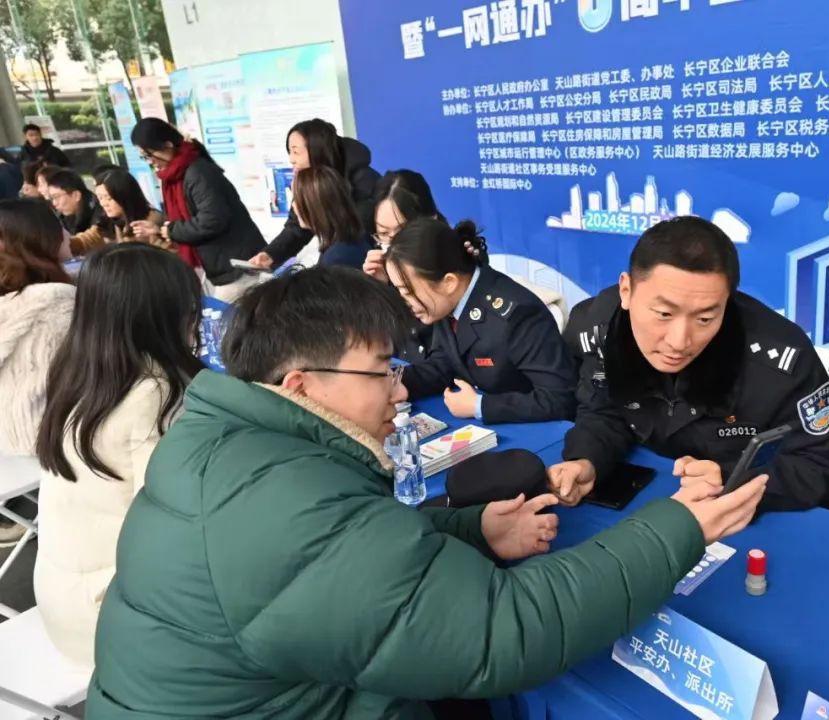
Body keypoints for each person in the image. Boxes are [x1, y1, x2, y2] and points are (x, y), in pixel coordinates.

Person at [87, 265, 769, 719]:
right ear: (301, 384)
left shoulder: (231, 443)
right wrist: (677, 529)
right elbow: (499, 630)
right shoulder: (282, 501)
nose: (399, 391)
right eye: (382, 371)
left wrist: (472, 530)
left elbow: (346, 558)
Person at [552, 216, 829, 509]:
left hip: (739, 511)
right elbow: (604, 410)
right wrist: (586, 459)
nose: (679, 341)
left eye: (704, 319)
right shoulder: (603, 324)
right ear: (626, 291)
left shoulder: (782, 357)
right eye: (664, 314)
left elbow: (816, 465)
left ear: (727, 302)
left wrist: (731, 479)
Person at [34, 244, 204, 667]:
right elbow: (177, 525)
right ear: (164, 314)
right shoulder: (155, 393)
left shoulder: (79, 370)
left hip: (64, 602)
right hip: (115, 619)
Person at [387, 217, 577, 423]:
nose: (405, 302)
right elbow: (445, 363)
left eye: (408, 291)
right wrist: (394, 383)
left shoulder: (516, 315)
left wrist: (480, 406)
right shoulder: (447, 302)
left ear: (448, 283)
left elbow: (559, 399)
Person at [0, 199, 75, 545]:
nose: (67, 233)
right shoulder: (59, 305)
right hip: (48, 444)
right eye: (58, 226)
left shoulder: (12, 301)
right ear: (40, 238)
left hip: (7, 447)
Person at [128, 117, 266, 302]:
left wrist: (170, 231)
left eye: (149, 154)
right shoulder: (179, 174)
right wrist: (159, 229)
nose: (150, 161)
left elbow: (212, 220)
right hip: (226, 265)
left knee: (226, 317)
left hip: (239, 266)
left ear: (168, 145)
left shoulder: (198, 173)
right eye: (144, 157)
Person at [248, 119, 380, 269]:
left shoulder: (364, 183)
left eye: (296, 152)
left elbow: (357, 233)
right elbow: (297, 227)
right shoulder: (308, 182)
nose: (291, 160)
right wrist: (271, 254)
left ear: (317, 151)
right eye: (289, 152)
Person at [362, 169, 444, 283]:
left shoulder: (457, 263)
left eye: (402, 231)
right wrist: (379, 286)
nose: (393, 244)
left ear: (431, 219)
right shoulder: (379, 270)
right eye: (383, 233)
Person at [290, 165, 374, 269]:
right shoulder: (346, 242)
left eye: (296, 199)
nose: (293, 205)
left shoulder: (338, 258)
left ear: (313, 205)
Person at [68, 170, 168, 256]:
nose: (104, 204)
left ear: (124, 196)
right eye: (100, 198)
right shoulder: (108, 222)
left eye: (108, 198)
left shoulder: (150, 223)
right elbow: (87, 240)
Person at [43, 168, 103, 235]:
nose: (54, 203)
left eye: (57, 197)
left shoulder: (101, 215)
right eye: (52, 198)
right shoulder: (63, 216)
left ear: (76, 195)